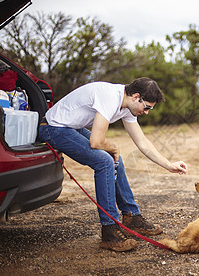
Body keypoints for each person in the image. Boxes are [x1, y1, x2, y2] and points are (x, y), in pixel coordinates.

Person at [38, 77, 188, 252]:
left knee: (116, 159)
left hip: (71, 127)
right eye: (146, 107)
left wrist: (168, 165)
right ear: (136, 97)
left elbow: (142, 142)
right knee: (105, 161)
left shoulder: (128, 107)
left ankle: (132, 217)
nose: (147, 112)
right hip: (53, 128)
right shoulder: (110, 97)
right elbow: (96, 142)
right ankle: (109, 231)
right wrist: (114, 148)